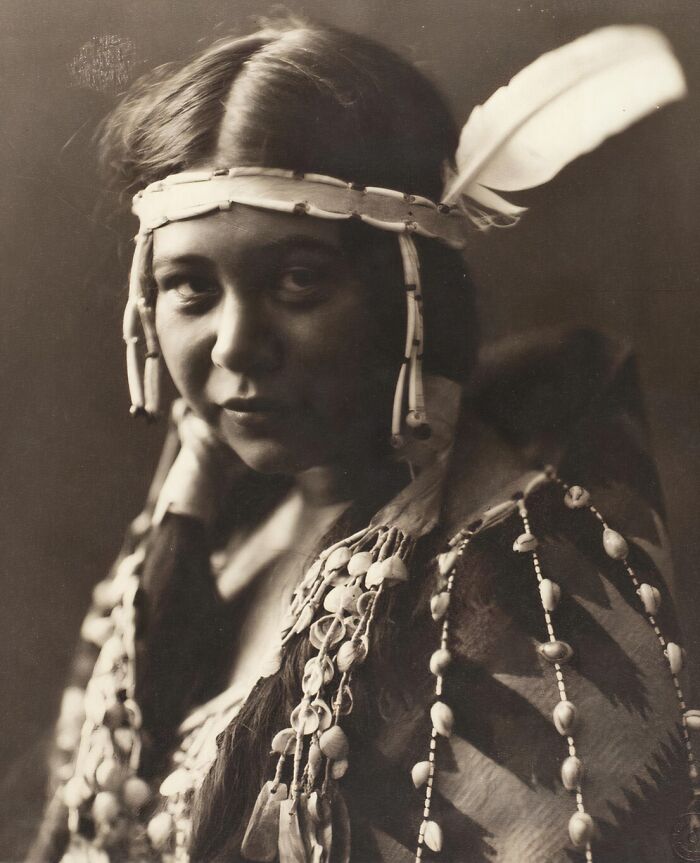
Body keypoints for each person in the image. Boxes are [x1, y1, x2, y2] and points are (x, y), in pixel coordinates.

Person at [29, 17, 698, 863]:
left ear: (407, 294)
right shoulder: (200, 547)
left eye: (299, 280)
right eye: (190, 287)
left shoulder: (530, 582)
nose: (235, 343)